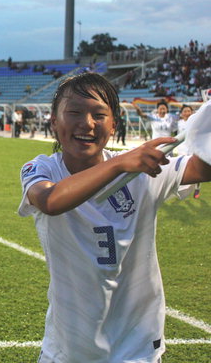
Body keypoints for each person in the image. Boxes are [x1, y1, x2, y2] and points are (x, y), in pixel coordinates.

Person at [18, 72, 211, 362]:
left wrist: (205, 124)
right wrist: (121, 163)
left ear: (114, 125)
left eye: (99, 114)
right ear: (54, 123)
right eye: (74, 113)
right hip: (69, 347)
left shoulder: (143, 170)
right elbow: (51, 200)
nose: (87, 123)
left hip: (136, 346)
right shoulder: (42, 169)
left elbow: (204, 168)